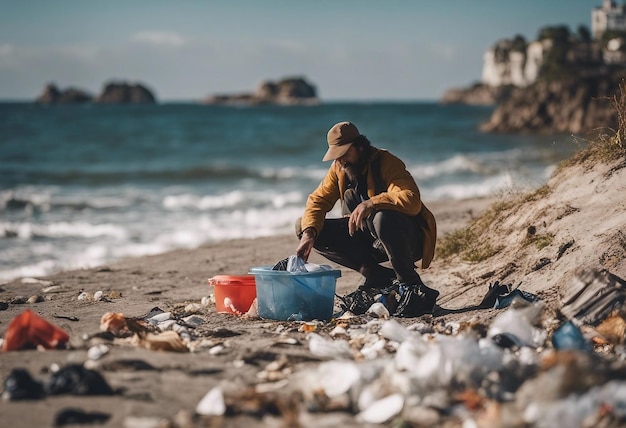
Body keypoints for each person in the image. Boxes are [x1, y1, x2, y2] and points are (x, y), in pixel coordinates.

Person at [295, 121, 439, 317]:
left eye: (345, 154)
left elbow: (411, 198)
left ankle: (410, 283)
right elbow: (317, 201)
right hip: (369, 240)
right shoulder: (339, 169)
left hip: (406, 239)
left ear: (360, 146)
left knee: (382, 218)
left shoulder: (387, 162)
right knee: (304, 226)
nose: (341, 161)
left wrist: (372, 203)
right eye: (337, 156)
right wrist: (309, 234)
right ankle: (374, 274)